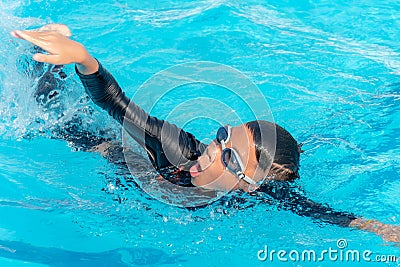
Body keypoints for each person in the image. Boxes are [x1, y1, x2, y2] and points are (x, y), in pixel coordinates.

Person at [10, 24, 400, 243]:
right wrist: (83, 58)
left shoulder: (261, 195)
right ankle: (42, 58)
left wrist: (381, 228)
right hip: (124, 163)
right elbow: (117, 103)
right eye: (222, 136)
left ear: (249, 184)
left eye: (229, 157)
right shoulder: (177, 147)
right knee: (58, 128)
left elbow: (318, 212)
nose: (212, 152)